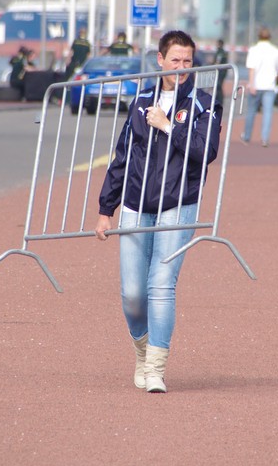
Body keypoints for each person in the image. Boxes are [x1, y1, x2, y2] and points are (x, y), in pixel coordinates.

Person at [94, 30, 222, 394]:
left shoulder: (204, 103)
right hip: (136, 205)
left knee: (161, 285)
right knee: (133, 294)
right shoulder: (141, 100)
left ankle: (155, 368)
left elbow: (206, 150)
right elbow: (123, 156)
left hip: (178, 204)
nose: (181, 68)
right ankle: (142, 350)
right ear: (160, 60)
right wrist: (106, 208)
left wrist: (168, 126)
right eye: (175, 60)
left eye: (188, 61)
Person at [241, 27, 278, 147]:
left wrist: (251, 84)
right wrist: (277, 77)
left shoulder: (254, 50)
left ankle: (247, 136)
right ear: (269, 37)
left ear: (258, 36)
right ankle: (265, 138)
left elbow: (251, 68)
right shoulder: (276, 51)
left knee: (251, 111)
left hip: (256, 84)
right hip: (269, 85)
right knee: (268, 112)